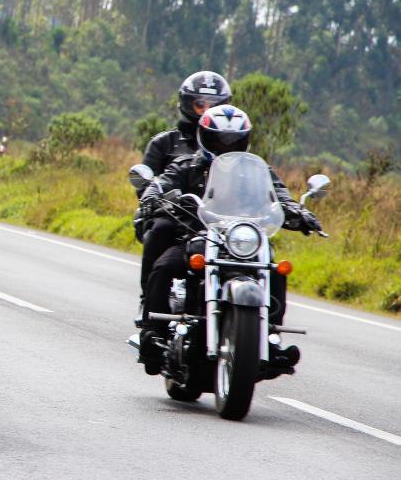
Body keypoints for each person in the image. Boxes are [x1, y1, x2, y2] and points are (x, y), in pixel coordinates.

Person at [137, 104, 321, 374]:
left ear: (245, 140)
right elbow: (164, 181)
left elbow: (279, 194)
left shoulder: (258, 170)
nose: (226, 145)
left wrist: (298, 210)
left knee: (274, 269)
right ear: (204, 136)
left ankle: (270, 338)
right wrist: (154, 194)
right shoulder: (186, 164)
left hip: (242, 240)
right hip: (198, 235)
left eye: (235, 140)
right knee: (164, 267)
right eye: (219, 139)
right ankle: (153, 334)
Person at [136, 71, 232, 310]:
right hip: (175, 217)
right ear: (188, 104)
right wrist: (155, 197)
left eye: (215, 105)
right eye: (201, 104)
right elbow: (148, 184)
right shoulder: (165, 143)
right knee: (160, 229)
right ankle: (148, 298)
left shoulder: (231, 148)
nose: (207, 110)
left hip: (220, 222)